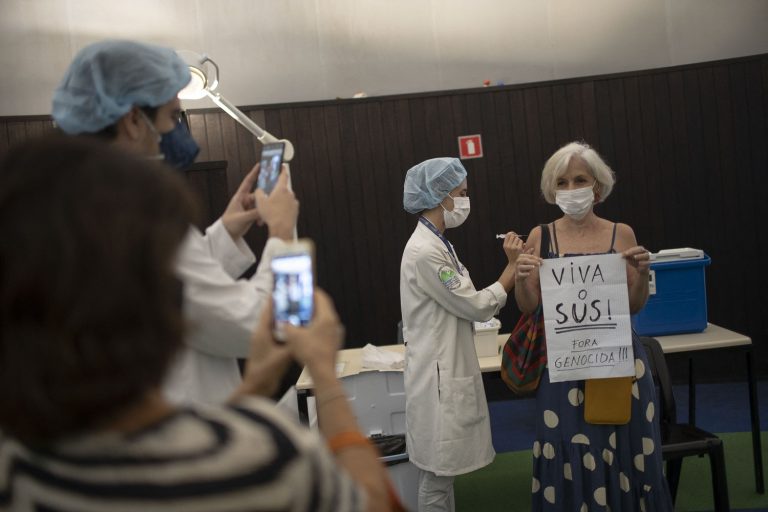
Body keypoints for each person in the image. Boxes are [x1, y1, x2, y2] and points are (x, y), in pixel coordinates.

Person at [0, 136, 397, 512]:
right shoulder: (268, 457)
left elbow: (198, 283)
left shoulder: (17, 468)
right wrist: (325, 374)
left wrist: (253, 386)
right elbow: (372, 503)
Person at [51, 39, 299, 404]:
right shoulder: (140, 219)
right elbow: (273, 324)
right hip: (179, 435)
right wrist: (283, 234)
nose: (178, 134)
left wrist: (227, 229)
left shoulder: (77, 204)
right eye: (172, 117)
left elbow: (178, 285)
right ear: (134, 120)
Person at [513, 142, 673, 510]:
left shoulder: (622, 234)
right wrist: (522, 279)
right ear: (552, 189)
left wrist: (641, 276)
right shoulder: (541, 237)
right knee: (566, 451)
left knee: (626, 450)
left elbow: (633, 307)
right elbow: (530, 308)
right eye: (563, 181)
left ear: (597, 187)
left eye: (580, 179)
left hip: (620, 365)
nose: (571, 189)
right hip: (563, 367)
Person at [399, 157, 524, 511]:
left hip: (441, 372)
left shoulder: (439, 244)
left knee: (441, 477)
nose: (465, 201)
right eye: (462, 193)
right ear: (440, 196)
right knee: (437, 479)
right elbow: (475, 306)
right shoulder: (425, 251)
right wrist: (512, 268)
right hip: (438, 381)